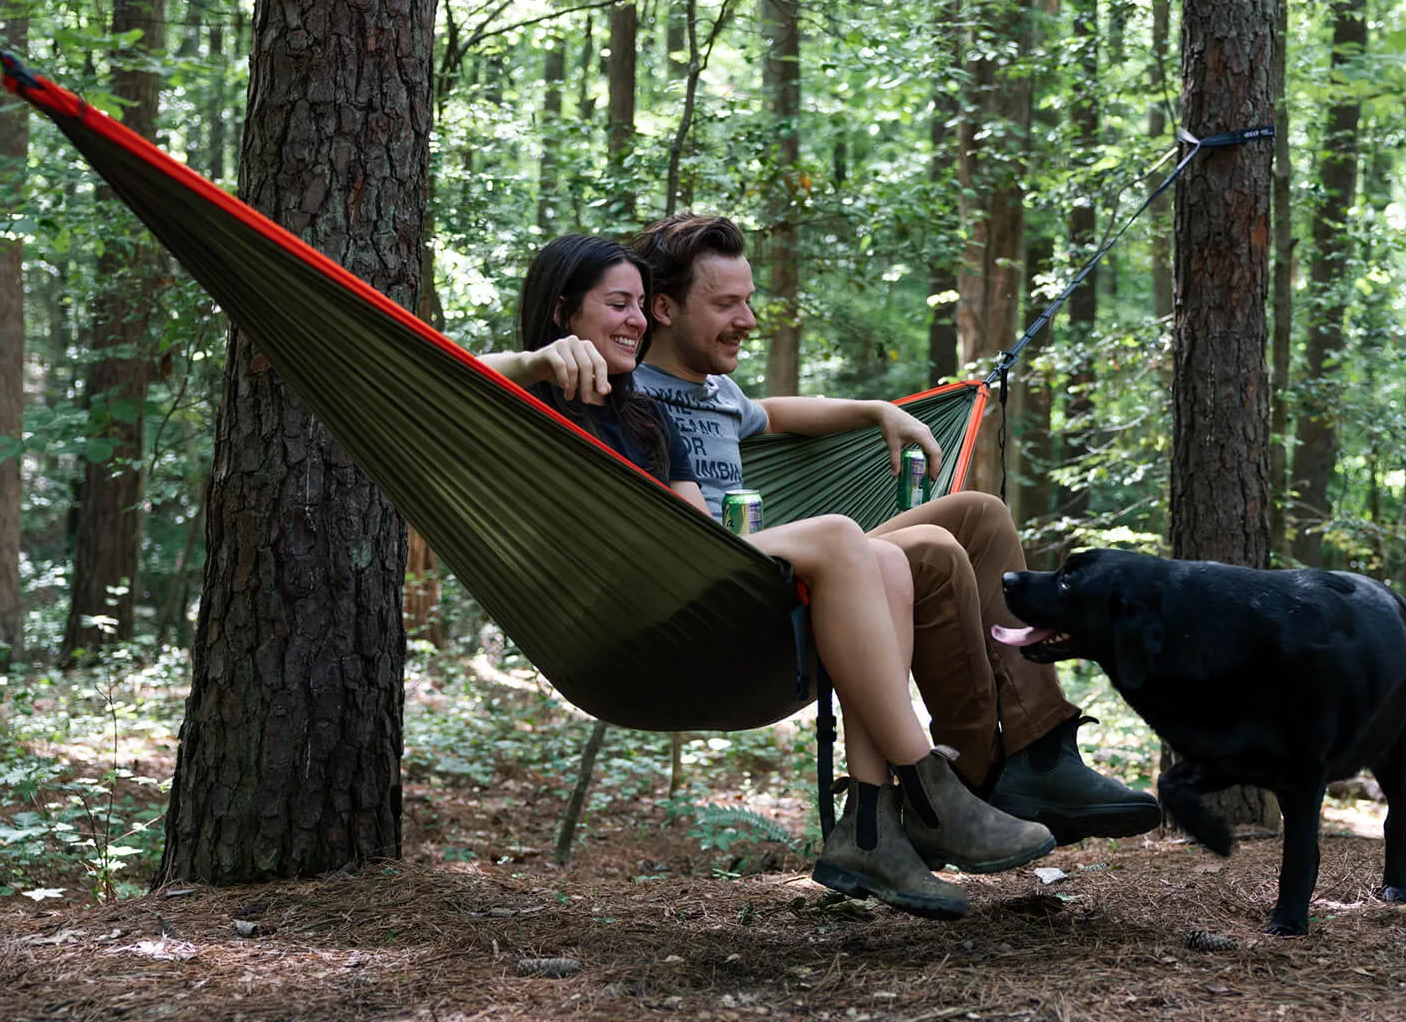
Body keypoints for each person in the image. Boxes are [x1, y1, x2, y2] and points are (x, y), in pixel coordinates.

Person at [481, 235, 1053, 919]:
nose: (637, 319)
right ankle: (934, 791)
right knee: (844, 536)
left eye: (640, 304)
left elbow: (696, 529)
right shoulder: (523, 406)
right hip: (630, 633)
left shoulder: (645, 413)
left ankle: (870, 828)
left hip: (708, 595)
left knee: (888, 560)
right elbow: (430, 382)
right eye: (617, 304)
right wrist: (529, 362)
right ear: (561, 313)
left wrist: (871, 415)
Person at [627, 215, 1162, 845]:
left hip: (797, 572)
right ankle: (966, 782)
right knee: (931, 551)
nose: (747, 319)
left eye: (748, 300)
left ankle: (1039, 750)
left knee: (981, 515)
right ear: (661, 307)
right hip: (744, 599)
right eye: (725, 304)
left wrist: (880, 410)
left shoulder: (717, 391)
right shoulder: (624, 392)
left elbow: (770, 413)